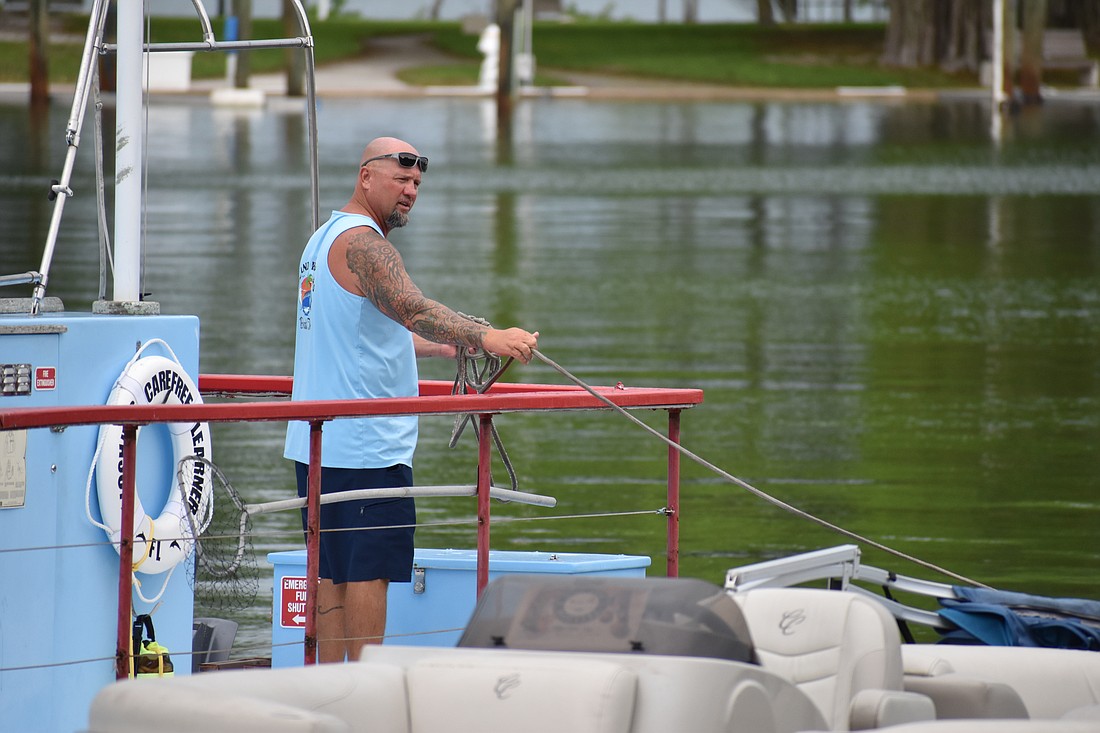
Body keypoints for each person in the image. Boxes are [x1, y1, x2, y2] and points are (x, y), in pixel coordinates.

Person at [284, 136, 539, 662]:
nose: (410, 191)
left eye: (417, 183)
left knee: (330, 573)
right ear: (366, 176)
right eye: (400, 180)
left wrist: (446, 346)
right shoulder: (366, 244)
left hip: (316, 443)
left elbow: (366, 327)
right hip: (366, 447)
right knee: (368, 575)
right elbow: (410, 306)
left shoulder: (321, 239)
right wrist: (484, 336)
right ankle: (364, 694)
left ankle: (332, 693)